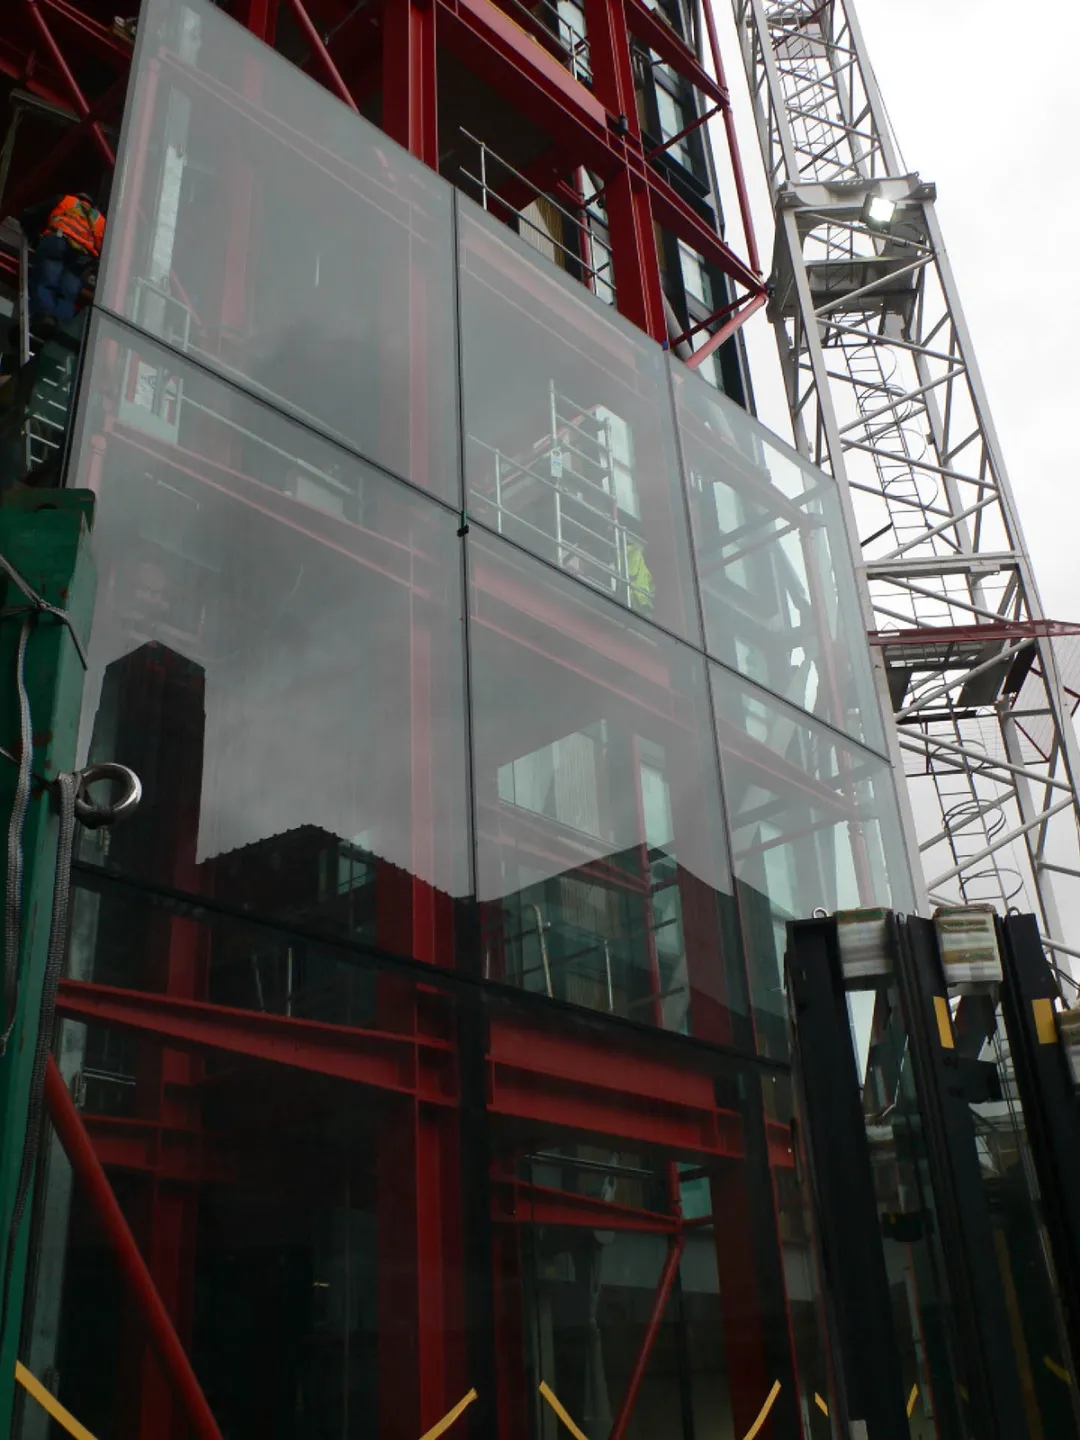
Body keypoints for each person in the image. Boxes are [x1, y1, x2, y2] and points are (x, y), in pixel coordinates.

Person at [21, 192, 106, 333]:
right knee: (68, 292)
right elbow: (103, 248)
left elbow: (30, 216)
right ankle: (60, 327)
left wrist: (34, 239)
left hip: (59, 241)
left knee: (47, 280)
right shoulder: (100, 220)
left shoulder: (66, 200)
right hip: (82, 255)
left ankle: (44, 317)